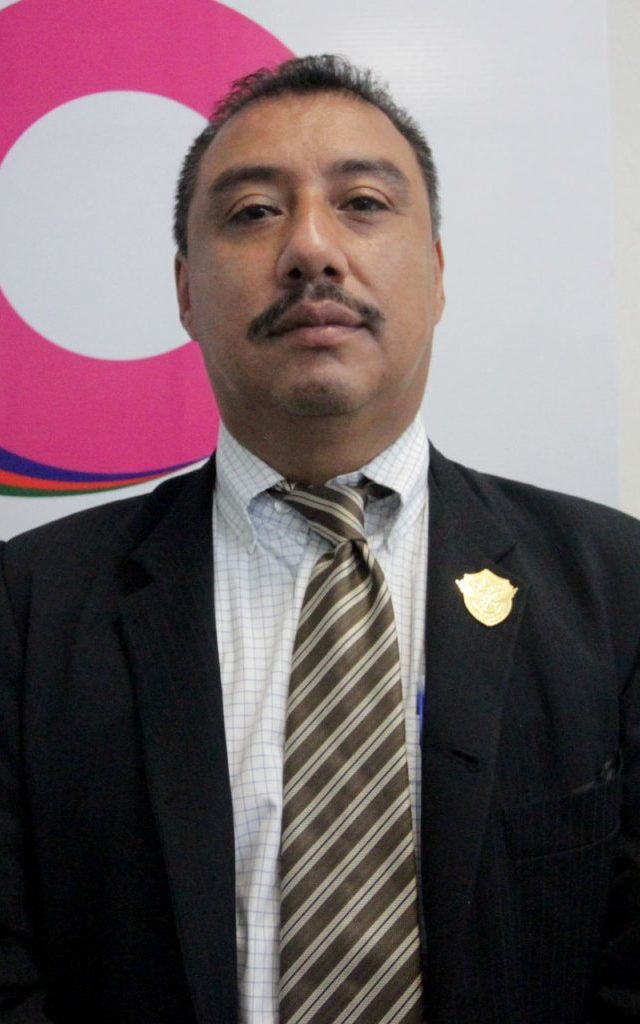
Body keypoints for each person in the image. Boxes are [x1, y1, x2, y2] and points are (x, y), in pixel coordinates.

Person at [0, 54, 638, 1024]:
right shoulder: (28, 608)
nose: (310, 248)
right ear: (185, 291)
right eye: (253, 212)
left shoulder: (616, 590)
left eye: (363, 204)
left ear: (436, 273)